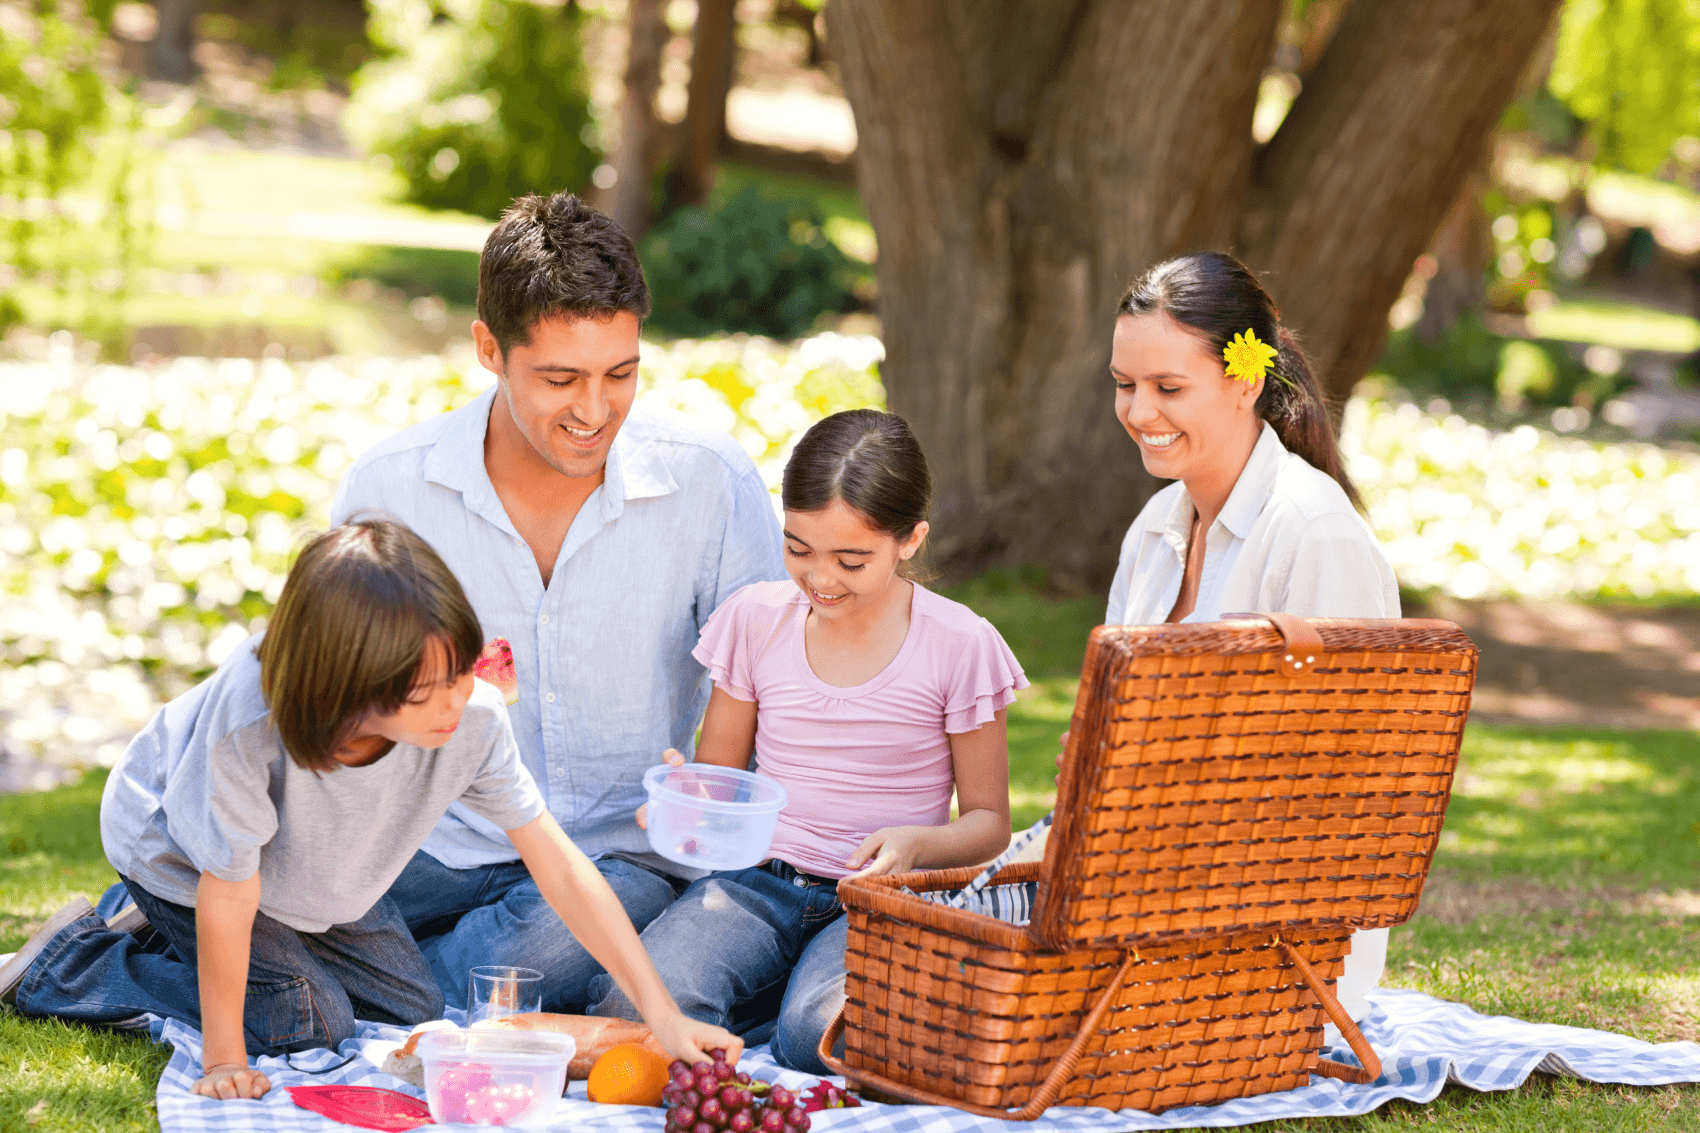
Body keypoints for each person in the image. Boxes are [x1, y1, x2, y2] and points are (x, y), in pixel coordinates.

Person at [0, 521, 740, 1100]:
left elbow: (560, 866)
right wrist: (225, 1057)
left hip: (310, 868)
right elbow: (229, 888)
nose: (456, 703)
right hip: (180, 852)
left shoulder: (472, 717)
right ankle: (71, 964)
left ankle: (175, 938)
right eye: (425, 692)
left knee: (412, 1009)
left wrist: (662, 1014)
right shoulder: (249, 728)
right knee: (308, 1020)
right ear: (348, 686)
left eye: (460, 671)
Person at [328, 191, 785, 1012]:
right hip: (434, 848)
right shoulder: (392, 489)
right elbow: (344, 699)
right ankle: (361, 974)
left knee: (549, 943)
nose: (594, 410)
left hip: (621, 858)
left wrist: (713, 787)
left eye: (621, 373)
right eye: (560, 378)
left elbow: (778, 684)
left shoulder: (711, 483)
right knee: (286, 893)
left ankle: (356, 982)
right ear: (489, 349)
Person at [586, 409, 1025, 1073]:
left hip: (881, 900)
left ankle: (782, 1001)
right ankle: (770, 989)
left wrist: (917, 843)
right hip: (759, 883)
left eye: (851, 560)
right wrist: (688, 798)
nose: (820, 579)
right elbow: (721, 778)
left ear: (910, 539)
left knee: (817, 1038)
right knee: (633, 1003)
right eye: (798, 549)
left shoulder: (962, 643)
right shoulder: (756, 619)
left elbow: (990, 824)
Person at [1104, 251, 1398, 1027]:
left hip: (1277, 945)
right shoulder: (1155, 528)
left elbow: (1341, 781)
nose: (1140, 411)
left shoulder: (1314, 532)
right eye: (1125, 384)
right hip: (1143, 895)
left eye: (1169, 387)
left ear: (1244, 380)